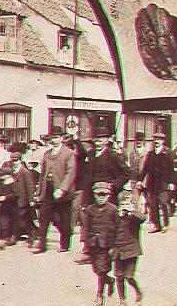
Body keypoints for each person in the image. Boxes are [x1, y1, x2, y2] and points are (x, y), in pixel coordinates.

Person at [33, 126, 77, 254]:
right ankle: (42, 244)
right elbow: (43, 174)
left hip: (63, 191)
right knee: (44, 215)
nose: (54, 140)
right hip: (48, 188)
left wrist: (62, 189)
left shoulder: (68, 153)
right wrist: (39, 189)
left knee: (63, 218)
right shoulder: (47, 154)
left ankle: (64, 243)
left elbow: (71, 172)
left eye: (56, 137)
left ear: (62, 138)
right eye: (52, 137)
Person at [84, 182, 119, 306]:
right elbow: (86, 226)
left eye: (104, 194)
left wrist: (115, 246)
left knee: (102, 270)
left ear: (108, 195)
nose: (101, 197)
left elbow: (117, 228)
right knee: (97, 269)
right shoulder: (89, 209)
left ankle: (100, 294)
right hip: (93, 244)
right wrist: (85, 242)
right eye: (98, 194)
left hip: (107, 245)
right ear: (94, 195)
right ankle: (110, 281)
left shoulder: (113, 209)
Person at [111, 190, 145, 305]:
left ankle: (138, 292)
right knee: (119, 276)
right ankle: (122, 299)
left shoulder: (134, 217)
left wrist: (132, 211)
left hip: (131, 251)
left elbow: (142, 218)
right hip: (118, 250)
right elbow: (111, 231)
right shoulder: (116, 216)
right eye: (123, 204)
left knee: (129, 276)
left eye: (127, 204)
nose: (125, 207)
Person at [138, 132, 176, 233]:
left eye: (159, 140)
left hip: (163, 184)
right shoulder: (150, 154)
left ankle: (165, 224)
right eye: (155, 140)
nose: (157, 142)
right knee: (153, 206)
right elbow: (145, 168)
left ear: (163, 141)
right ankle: (157, 225)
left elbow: (171, 170)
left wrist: (172, 183)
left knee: (163, 203)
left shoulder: (167, 154)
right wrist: (140, 180)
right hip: (152, 184)